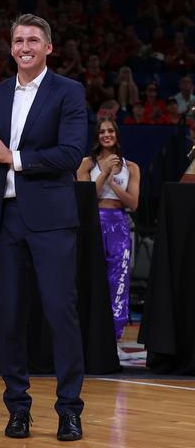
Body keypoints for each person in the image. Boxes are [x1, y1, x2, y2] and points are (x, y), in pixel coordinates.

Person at [0, 13, 86, 441]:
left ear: (49, 47)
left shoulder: (69, 91)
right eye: (18, 40)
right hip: (4, 221)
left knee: (60, 316)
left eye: (33, 40)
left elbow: (70, 154)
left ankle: (69, 410)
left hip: (51, 222)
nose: (24, 46)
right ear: (10, 48)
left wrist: (17, 158)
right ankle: (18, 408)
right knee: (9, 318)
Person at [77, 119, 139, 356]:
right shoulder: (85, 164)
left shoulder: (131, 167)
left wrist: (114, 180)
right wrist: (103, 173)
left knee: (118, 280)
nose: (106, 134)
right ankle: (89, 336)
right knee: (91, 277)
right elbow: (85, 197)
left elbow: (133, 203)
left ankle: (114, 338)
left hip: (119, 224)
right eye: (102, 131)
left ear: (117, 135)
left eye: (110, 130)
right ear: (96, 136)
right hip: (92, 222)